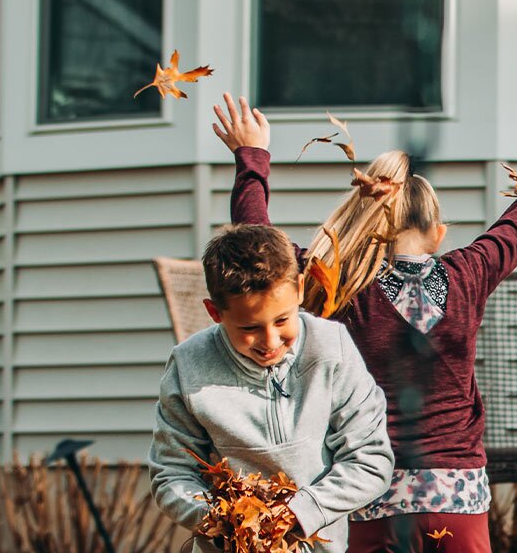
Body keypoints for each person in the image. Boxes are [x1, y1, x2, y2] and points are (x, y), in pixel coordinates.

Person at [211, 94, 517, 552]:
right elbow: (516, 228)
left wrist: (252, 157)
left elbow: (257, 240)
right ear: (438, 234)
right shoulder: (468, 274)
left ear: (367, 226)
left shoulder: (339, 283)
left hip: (367, 492)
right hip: (456, 497)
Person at [150, 223, 395, 552]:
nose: (270, 341)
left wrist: (298, 513)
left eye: (282, 320)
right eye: (249, 328)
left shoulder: (331, 349)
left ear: (299, 289)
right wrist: (223, 521)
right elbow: (172, 473)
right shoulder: (188, 366)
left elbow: (370, 459)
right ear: (214, 312)